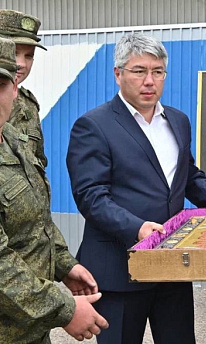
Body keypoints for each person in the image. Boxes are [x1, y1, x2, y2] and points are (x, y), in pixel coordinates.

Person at [66, 33, 206, 344]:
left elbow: (187, 175)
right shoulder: (94, 125)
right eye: (139, 71)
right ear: (118, 74)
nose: (149, 81)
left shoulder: (178, 121)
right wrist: (138, 228)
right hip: (119, 270)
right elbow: (91, 197)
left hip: (171, 267)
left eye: (157, 72)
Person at [0, 37, 108, 343]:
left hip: (28, 329)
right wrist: (65, 309)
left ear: (14, 89)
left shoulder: (13, 142)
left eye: (0, 85)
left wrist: (63, 263)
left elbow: (35, 220)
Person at [0, 9, 48, 166]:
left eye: (29, 55)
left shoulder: (29, 106)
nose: (21, 63)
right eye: (14, 52)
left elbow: (38, 164)